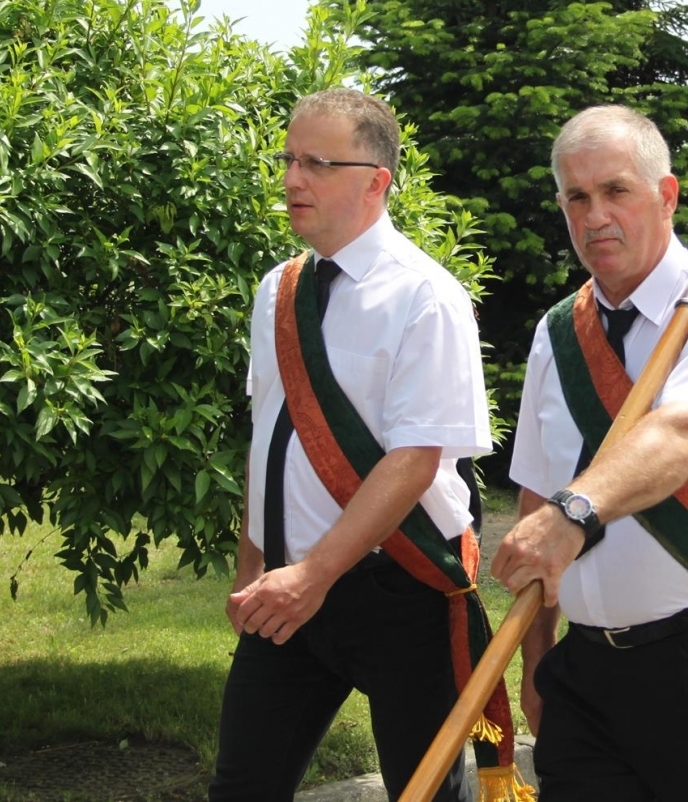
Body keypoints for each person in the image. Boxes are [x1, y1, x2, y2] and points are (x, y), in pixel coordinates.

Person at [490, 106, 688, 802]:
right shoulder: (558, 333)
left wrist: (576, 511)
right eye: (576, 198)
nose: (595, 215)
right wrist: (537, 656)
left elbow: (682, 436)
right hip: (587, 678)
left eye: (616, 191)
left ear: (665, 196)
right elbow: (535, 500)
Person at [211, 89, 495, 802]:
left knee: (424, 792)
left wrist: (313, 577)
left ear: (375, 180)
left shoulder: (426, 297)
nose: (291, 179)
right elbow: (268, 430)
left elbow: (414, 461)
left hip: (399, 590)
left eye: (315, 163)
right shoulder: (277, 288)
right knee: (242, 788)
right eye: (288, 158)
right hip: (287, 589)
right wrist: (256, 562)